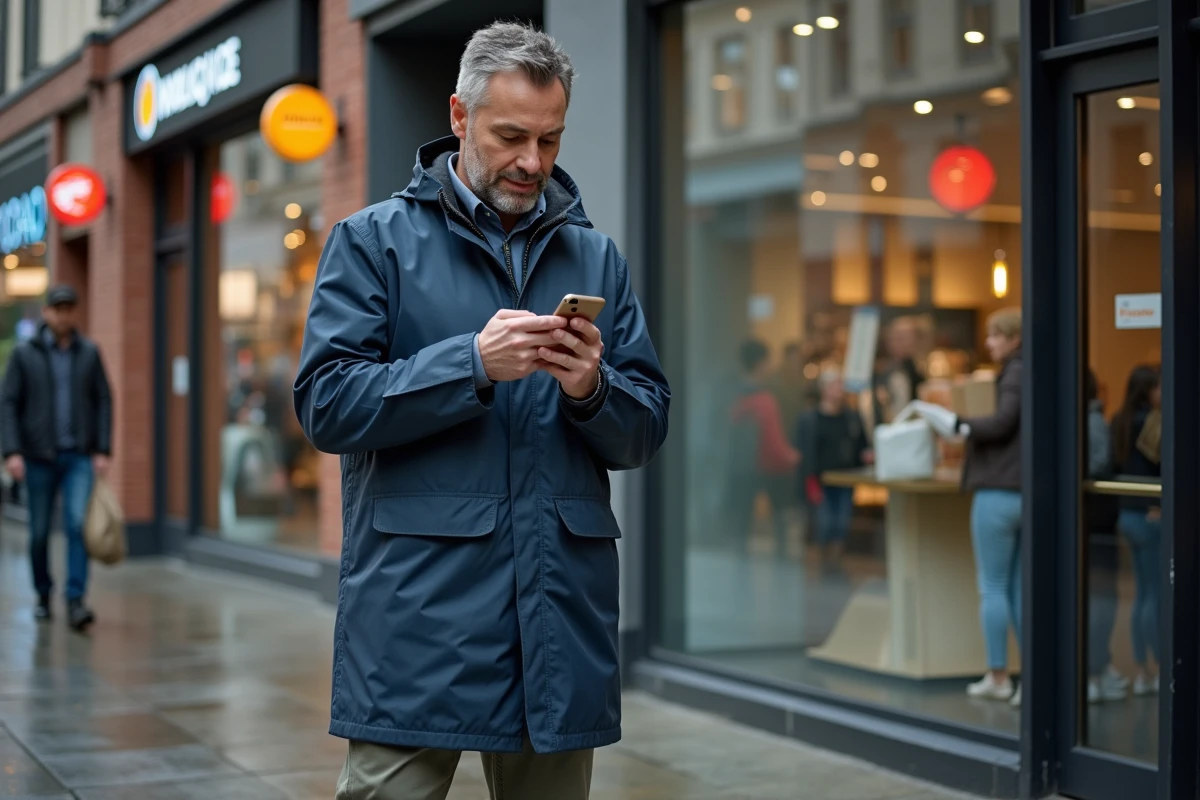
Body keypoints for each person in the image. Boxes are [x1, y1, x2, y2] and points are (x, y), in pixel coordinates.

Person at [293, 22, 669, 800]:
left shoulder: (597, 257)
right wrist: (469, 365)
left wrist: (590, 390)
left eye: (550, 139)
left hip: (560, 622)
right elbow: (326, 404)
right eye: (510, 137)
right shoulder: (371, 243)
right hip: (417, 621)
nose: (533, 161)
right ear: (459, 117)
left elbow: (644, 428)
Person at [1, 285, 112, 630]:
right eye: (57, 308)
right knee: (38, 532)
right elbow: (8, 404)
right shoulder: (24, 354)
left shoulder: (89, 353)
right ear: (47, 312)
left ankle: (76, 599)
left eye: (69, 308)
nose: (64, 315)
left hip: (78, 456)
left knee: (77, 525)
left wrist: (102, 449)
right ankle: (43, 595)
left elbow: (104, 400)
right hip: (37, 457)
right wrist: (12, 451)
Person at [948, 308, 1024, 705]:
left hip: (997, 492)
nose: (990, 343)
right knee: (1019, 588)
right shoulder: (1036, 369)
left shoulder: (1014, 373)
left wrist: (960, 424)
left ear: (1014, 338)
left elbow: (1002, 421)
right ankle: (1030, 679)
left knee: (993, 586)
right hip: (1026, 493)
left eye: (996, 336)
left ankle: (998, 676)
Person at [1110, 364, 1162, 697]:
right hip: (1150, 516)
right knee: (1153, 596)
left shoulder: (1119, 420)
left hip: (1126, 515)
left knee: (1142, 594)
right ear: (1148, 391)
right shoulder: (1154, 422)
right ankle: (1157, 667)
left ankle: (1141, 670)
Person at [728, 339, 800, 556]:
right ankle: (782, 562)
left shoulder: (734, 395)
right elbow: (773, 442)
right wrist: (793, 458)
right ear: (760, 364)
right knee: (780, 519)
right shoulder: (765, 399)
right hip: (768, 468)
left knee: (742, 522)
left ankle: (740, 568)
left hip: (740, 468)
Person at [795, 367, 872, 571]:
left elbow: (862, 448)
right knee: (823, 525)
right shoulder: (809, 419)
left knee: (841, 525)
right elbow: (802, 452)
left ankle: (834, 567)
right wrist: (808, 481)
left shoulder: (852, 418)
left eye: (840, 384)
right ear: (823, 389)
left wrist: (866, 457)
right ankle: (820, 568)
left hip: (844, 480)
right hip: (820, 481)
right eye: (833, 385)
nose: (838, 390)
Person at [1084, 369, 1127, 703]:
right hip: (1095, 519)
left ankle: (1097, 668)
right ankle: (1097, 668)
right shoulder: (1094, 420)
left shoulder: (1085, 420)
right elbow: (1099, 463)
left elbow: (1097, 464)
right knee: (1100, 597)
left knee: (1099, 597)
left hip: (1091, 519)